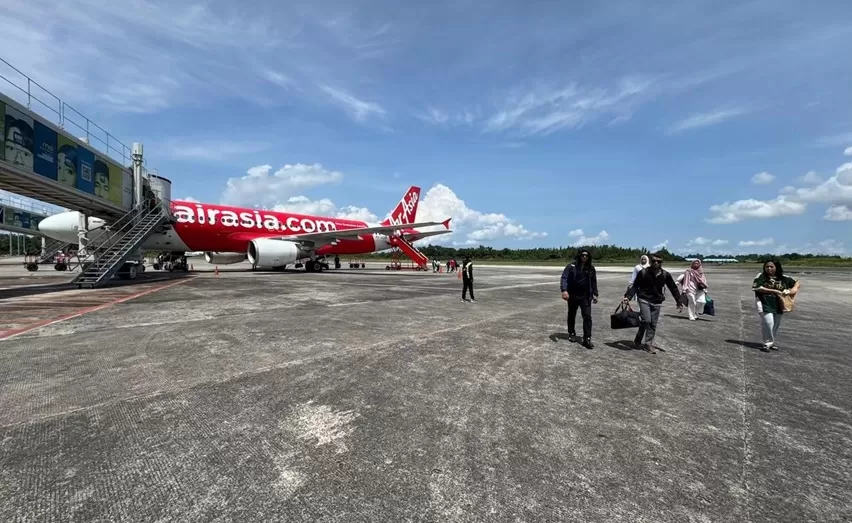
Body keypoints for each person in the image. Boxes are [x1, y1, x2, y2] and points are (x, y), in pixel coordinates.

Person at [622, 252, 682, 354]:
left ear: (661, 262)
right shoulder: (643, 272)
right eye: (653, 261)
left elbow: (673, 288)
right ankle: (639, 338)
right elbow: (635, 286)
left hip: (657, 301)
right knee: (646, 320)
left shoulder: (665, 275)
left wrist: (679, 301)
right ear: (651, 261)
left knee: (653, 324)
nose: (656, 263)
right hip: (644, 299)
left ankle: (647, 344)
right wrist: (628, 297)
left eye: (658, 261)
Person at [752, 259, 800, 352]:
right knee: (768, 323)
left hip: (778, 304)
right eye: (767, 267)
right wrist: (774, 291)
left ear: (776, 267)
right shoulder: (761, 276)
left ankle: (771, 342)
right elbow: (757, 287)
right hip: (764, 303)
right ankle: (767, 343)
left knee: (775, 324)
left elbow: (797, 282)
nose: (769, 268)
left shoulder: (783, 278)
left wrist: (791, 290)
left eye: (771, 266)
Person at [560, 249, 599, 349]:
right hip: (572, 295)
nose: (584, 257)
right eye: (582, 255)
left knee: (587, 317)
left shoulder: (591, 268)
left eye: (586, 256)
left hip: (585, 297)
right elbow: (564, 277)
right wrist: (564, 290)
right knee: (572, 314)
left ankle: (587, 338)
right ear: (579, 256)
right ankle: (571, 333)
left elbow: (593, 281)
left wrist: (595, 294)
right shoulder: (571, 266)